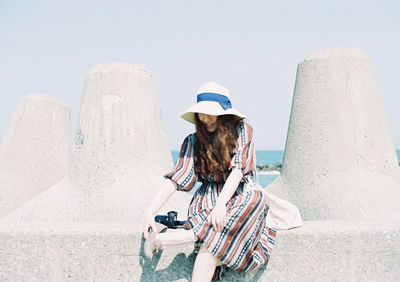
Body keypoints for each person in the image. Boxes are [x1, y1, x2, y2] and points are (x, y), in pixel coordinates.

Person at [143, 82, 276, 281]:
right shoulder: (193, 141)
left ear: (224, 114)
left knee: (256, 198)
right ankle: (191, 236)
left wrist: (222, 203)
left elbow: (239, 170)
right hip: (206, 203)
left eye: (211, 113)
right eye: (201, 114)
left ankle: (180, 238)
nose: (205, 119)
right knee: (212, 246)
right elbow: (178, 178)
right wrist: (150, 211)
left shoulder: (242, 130)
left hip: (236, 200)